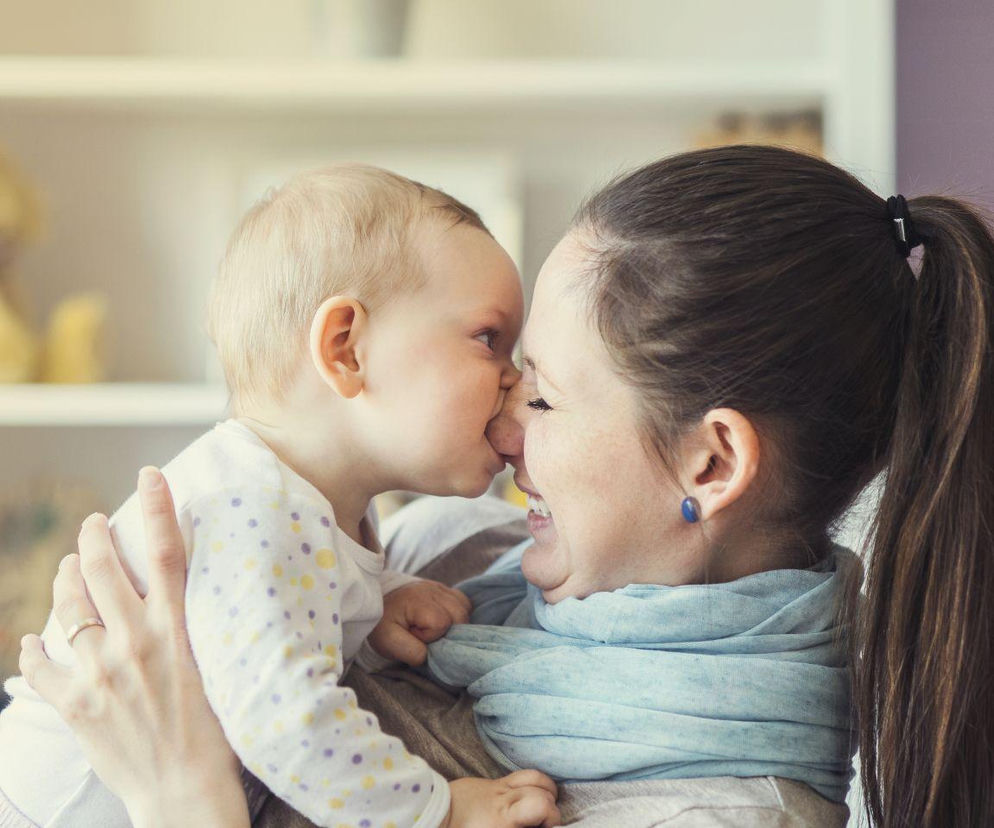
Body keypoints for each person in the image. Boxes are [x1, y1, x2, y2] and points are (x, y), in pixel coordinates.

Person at [14, 144, 994, 827]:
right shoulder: (447, 548)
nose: (502, 428)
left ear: (711, 463)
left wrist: (181, 802)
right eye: (499, 360)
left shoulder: (715, 809)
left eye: (547, 400)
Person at [0, 164, 562, 828]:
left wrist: (373, 598)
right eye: (489, 339)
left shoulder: (307, 506)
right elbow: (286, 721)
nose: (514, 381)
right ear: (346, 348)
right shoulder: (256, 509)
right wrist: (437, 812)